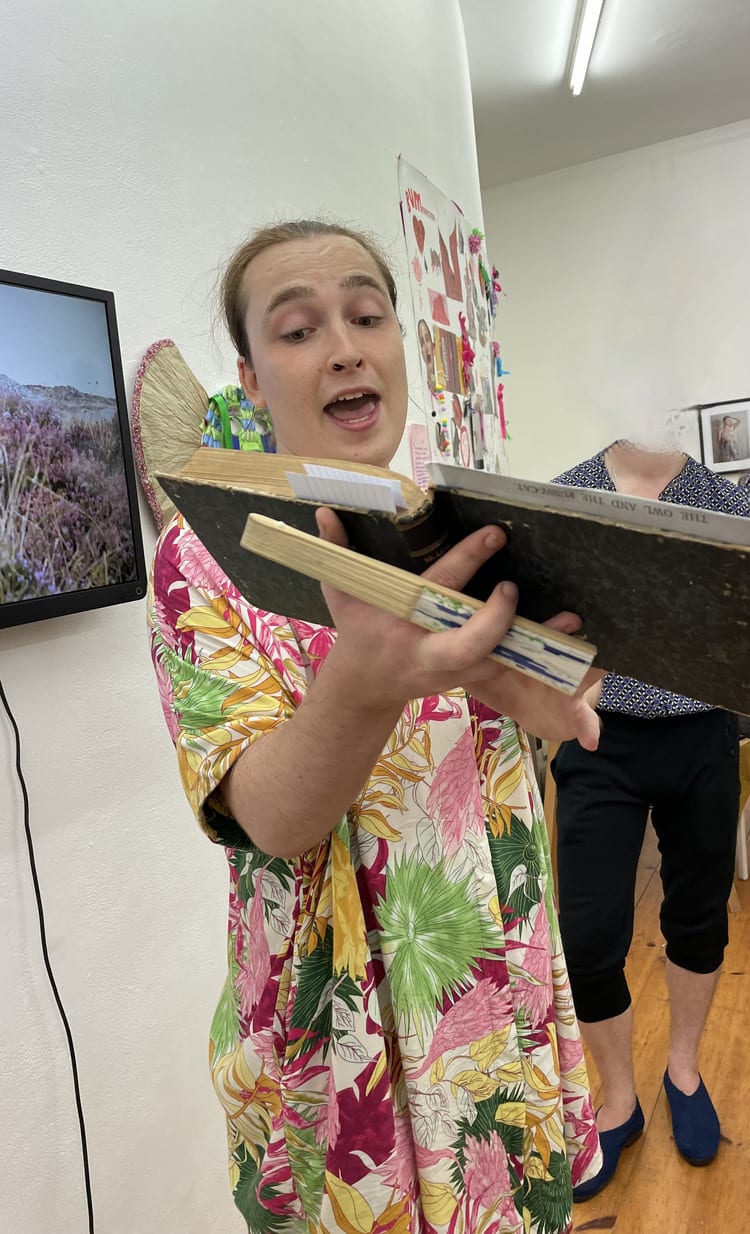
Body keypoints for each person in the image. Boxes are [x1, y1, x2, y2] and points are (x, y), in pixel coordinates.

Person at [147, 219, 602, 1234]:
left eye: (366, 315)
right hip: (337, 1049)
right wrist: (361, 683)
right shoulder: (206, 557)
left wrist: (542, 706)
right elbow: (267, 817)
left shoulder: (450, 527)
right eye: (300, 330)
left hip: (487, 1010)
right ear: (252, 378)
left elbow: (489, 793)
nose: (345, 346)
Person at [550, 435, 750, 1200]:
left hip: (703, 732)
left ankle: (683, 1068)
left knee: (698, 916)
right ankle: (617, 1099)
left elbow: (747, 632)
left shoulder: (725, 502)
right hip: (600, 737)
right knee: (589, 933)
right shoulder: (566, 494)